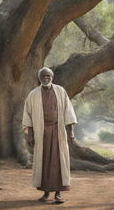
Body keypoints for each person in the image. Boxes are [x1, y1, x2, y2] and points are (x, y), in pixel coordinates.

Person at [22, 67, 77, 204]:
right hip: (42, 133)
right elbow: (27, 116)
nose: (46, 78)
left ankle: (58, 194)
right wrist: (30, 135)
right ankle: (46, 193)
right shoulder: (33, 94)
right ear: (39, 78)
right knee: (44, 161)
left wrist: (70, 130)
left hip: (58, 131)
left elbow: (68, 111)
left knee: (59, 161)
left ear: (52, 77)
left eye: (48, 76)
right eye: (43, 76)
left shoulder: (60, 91)